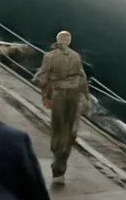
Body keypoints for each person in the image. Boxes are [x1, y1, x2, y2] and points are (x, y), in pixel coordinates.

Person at [35, 30, 89, 183]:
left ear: (57, 40)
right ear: (69, 41)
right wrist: (86, 96)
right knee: (69, 129)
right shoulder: (76, 56)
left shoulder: (49, 57)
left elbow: (44, 78)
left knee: (57, 128)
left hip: (58, 95)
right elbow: (82, 78)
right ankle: (61, 163)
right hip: (73, 95)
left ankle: (57, 159)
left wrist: (45, 96)